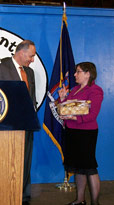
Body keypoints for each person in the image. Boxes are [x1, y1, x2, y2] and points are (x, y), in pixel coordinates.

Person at [0, 40, 37, 205]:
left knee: (25, 162)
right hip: (7, 128)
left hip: (27, 125)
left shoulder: (29, 73)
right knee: (7, 163)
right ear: (21, 52)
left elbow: (33, 99)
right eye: (31, 56)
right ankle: (5, 193)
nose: (32, 60)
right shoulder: (2, 69)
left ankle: (23, 196)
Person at [58, 62, 103, 205]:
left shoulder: (95, 90)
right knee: (78, 168)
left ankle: (95, 202)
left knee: (89, 167)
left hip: (86, 134)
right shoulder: (74, 90)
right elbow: (65, 109)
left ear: (88, 74)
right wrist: (63, 98)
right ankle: (80, 199)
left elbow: (92, 115)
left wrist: (74, 118)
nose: (74, 74)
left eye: (78, 72)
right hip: (72, 132)